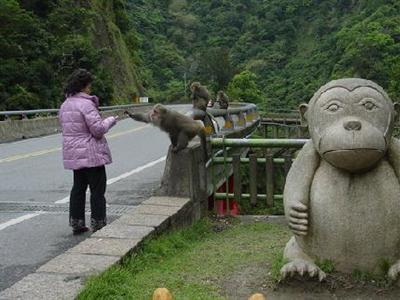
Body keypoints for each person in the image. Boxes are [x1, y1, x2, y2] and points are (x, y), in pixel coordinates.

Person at [59, 68, 118, 234]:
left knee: (78, 188)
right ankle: (98, 222)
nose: (90, 88)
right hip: (91, 154)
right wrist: (111, 120)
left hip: (74, 154)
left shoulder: (65, 105)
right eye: (89, 85)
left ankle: (76, 222)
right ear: (84, 86)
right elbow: (97, 130)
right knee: (97, 190)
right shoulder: (87, 104)